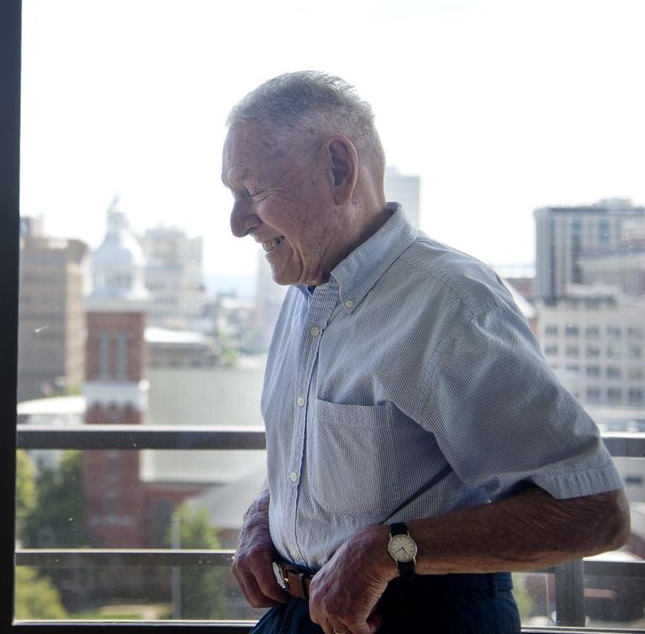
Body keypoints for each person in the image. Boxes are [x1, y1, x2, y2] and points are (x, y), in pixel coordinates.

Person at [223, 71, 629, 634]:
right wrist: (263, 518)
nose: (237, 223)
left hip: (420, 619)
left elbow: (592, 513)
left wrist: (387, 551)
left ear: (339, 170)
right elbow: (324, 457)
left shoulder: (449, 301)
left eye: (253, 191)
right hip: (304, 613)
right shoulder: (305, 293)